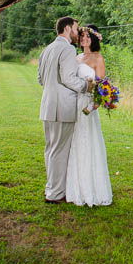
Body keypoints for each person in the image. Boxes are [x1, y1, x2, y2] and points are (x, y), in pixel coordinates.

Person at [37, 16, 92, 204]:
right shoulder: (67, 49)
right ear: (67, 29)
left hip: (47, 106)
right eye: (76, 29)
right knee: (59, 151)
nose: (78, 33)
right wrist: (87, 86)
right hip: (63, 107)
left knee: (51, 149)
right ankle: (55, 194)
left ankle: (51, 188)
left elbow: (41, 79)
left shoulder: (47, 49)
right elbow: (69, 78)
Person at [65, 24, 113, 206]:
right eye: (82, 36)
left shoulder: (97, 58)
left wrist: (94, 104)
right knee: (75, 143)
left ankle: (92, 190)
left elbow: (102, 86)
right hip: (74, 103)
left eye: (87, 36)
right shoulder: (77, 57)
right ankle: (75, 188)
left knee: (88, 142)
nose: (84, 39)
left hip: (87, 106)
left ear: (94, 39)